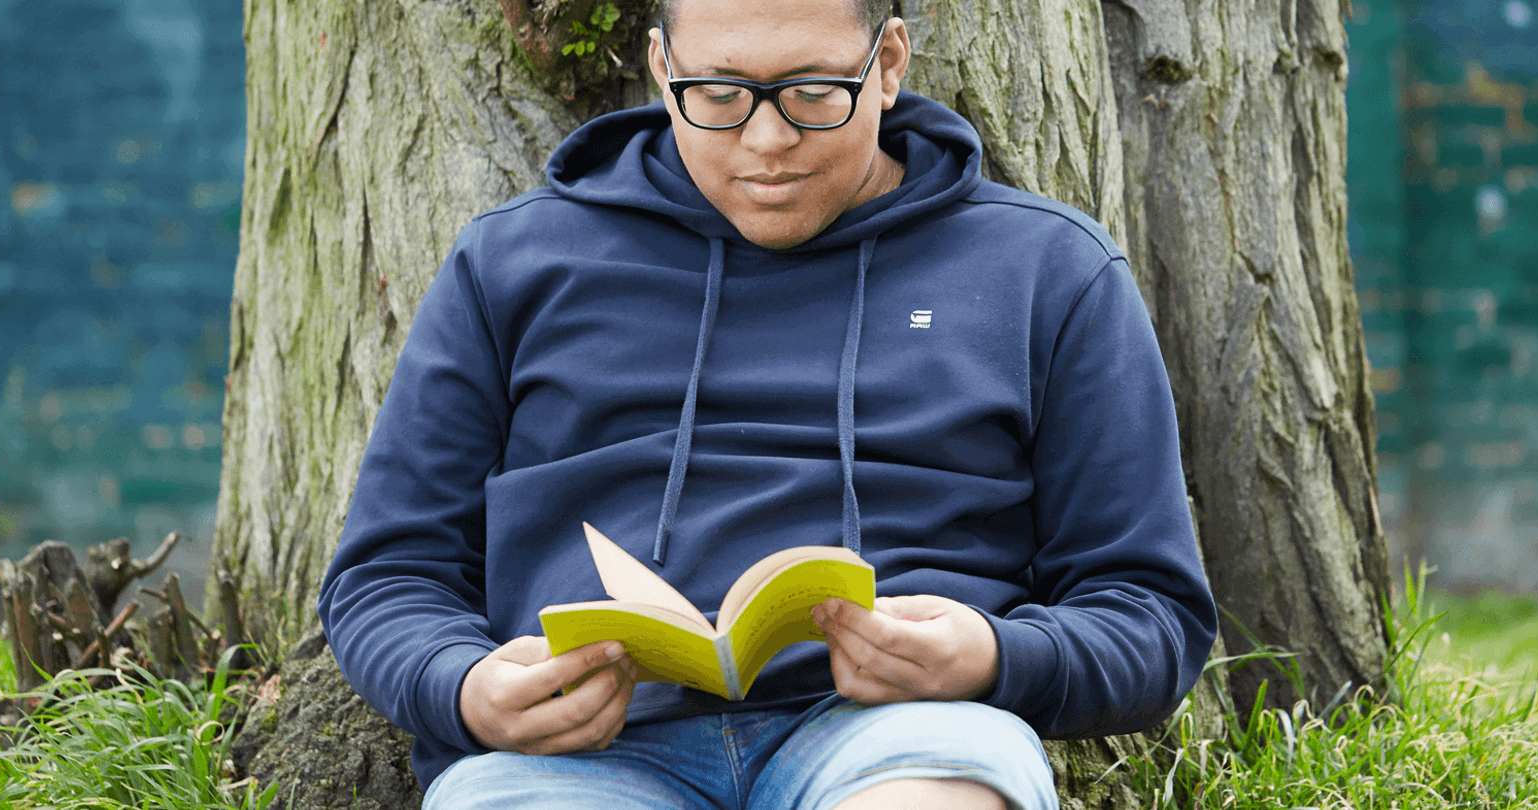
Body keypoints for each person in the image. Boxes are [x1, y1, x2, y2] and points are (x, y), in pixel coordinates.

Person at [317, 0, 1218, 807]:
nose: (767, 140)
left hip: (899, 740)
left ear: (890, 64)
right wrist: (463, 688)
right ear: (662, 69)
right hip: (575, 760)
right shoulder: (514, 263)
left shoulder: (1046, 271)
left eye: (814, 91)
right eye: (719, 92)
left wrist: (992, 656)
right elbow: (387, 573)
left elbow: (1152, 611)